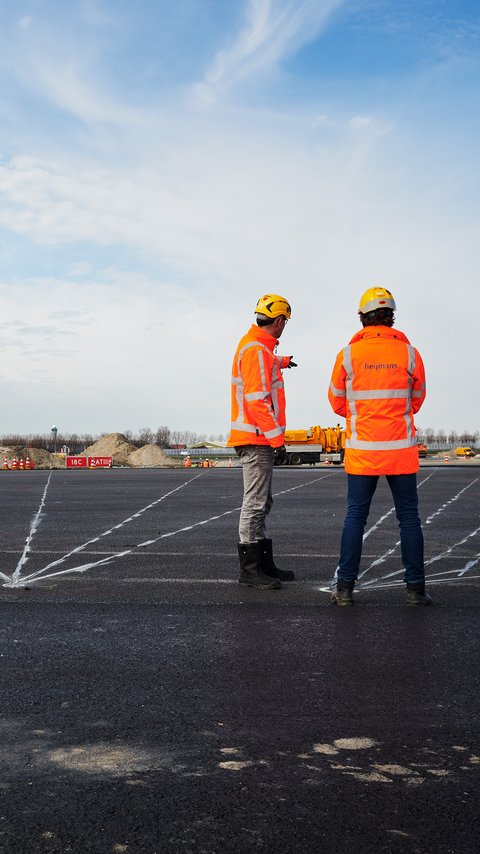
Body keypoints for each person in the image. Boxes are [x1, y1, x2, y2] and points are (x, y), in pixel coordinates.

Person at [328, 286, 431, 606]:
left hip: (363, 450)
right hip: (401, 449)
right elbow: (417, 400)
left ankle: (344, 589)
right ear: (391, 318)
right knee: (409, 519)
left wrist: (363, 416)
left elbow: (336, 402)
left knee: (355, 518)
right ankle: (415, 590)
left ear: (362, 319)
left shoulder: (347, 355)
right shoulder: (410, 353)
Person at [227, 294, 297, 589]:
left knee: (262, 501)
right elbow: (257, 401)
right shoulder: (256, 350)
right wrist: (277, 440)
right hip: (256, 440)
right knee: (254, 503)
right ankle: (250, 570)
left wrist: (282, 361)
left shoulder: (259, 349)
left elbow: (264, 365)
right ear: (279, 321)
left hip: (258, 439)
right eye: (286, 322)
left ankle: (264, 564)